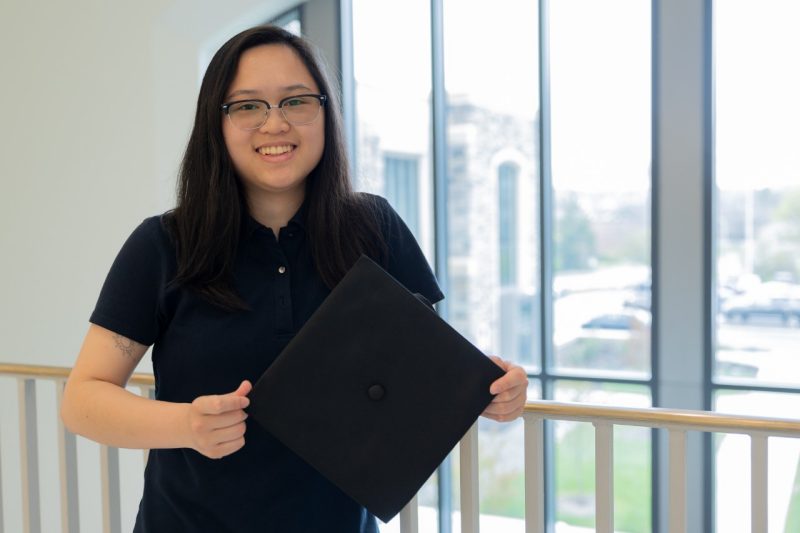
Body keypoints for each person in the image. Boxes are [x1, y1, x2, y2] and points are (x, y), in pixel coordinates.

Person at [61, 24, 528, 533]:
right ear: (215, 124)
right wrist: (186, 425)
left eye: (296, 101)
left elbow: (427, 367)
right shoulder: (163, 244)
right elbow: (84, 399)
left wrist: (496, 387)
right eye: (247, 105)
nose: (274, 124)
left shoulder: (375, 228)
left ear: (325, 113)